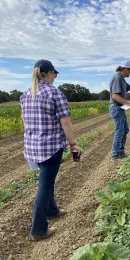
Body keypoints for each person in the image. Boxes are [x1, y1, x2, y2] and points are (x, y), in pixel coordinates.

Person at [20, 59, 82, 241]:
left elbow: (25, 122)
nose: (55, 76)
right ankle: (38, 229)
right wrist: (73, 144)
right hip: (51, 147)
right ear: (48, 73)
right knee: (45, 185)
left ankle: (52, 210)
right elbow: (65, 121)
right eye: (55, 73)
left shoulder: (25, 95)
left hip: (33, 148)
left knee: (47, 180)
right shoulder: (55, 93)